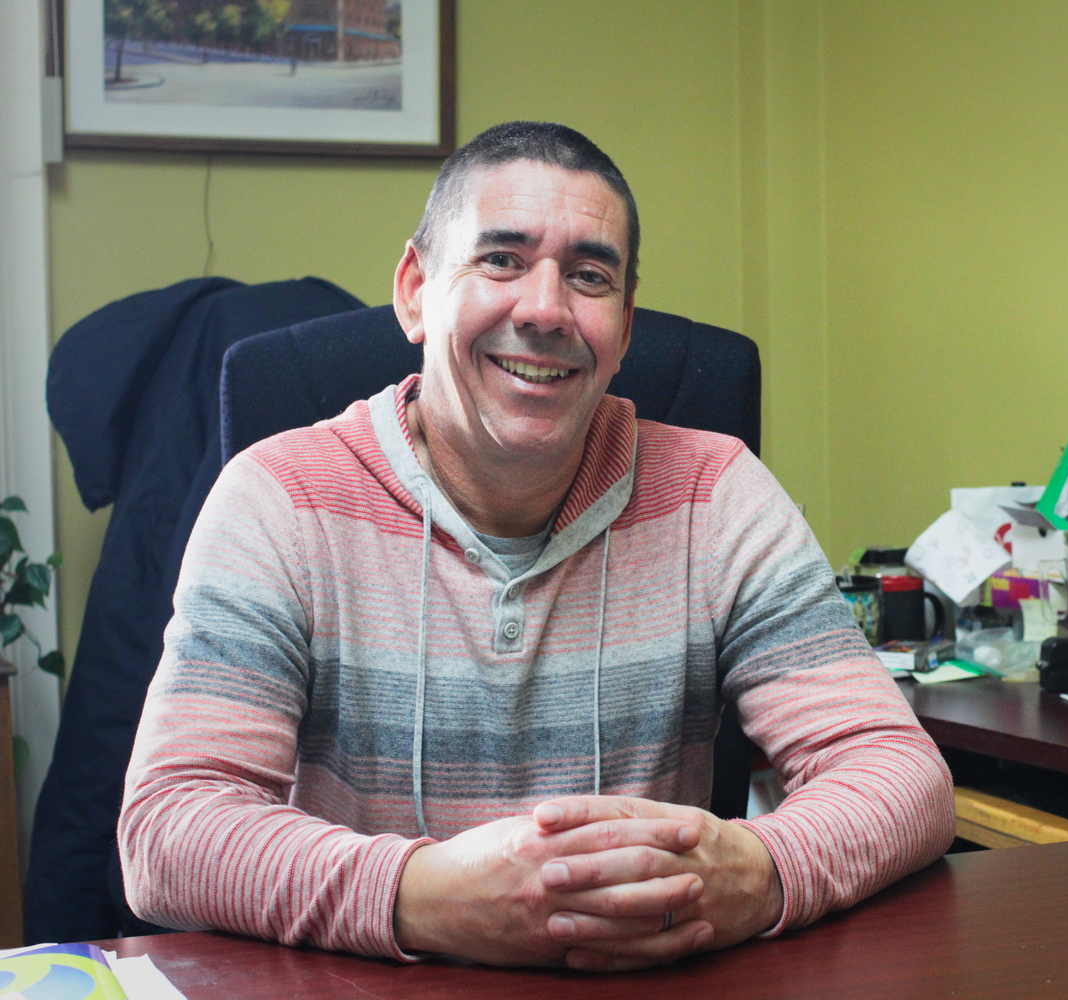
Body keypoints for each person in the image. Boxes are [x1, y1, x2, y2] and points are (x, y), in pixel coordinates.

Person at [118, 122, 954, 972]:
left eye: (589, 276)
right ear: (414, 291)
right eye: (501, 260)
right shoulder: (280, 498)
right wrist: (424, 896)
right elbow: (170, 828)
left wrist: (763, 870)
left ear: (625, 328)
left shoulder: (716, 495)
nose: (546, 310)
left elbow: (899, 772)